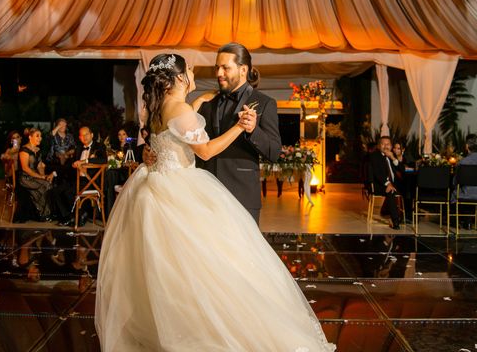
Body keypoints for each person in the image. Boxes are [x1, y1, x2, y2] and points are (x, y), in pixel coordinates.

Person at [96, 54, 335, 351]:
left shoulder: (158, 107)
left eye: (224, 67)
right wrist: (239, 127)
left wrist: (198, 101)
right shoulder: (180, 109)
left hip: (156, 189)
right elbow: (205, 150)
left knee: (169, 268)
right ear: (180, 78)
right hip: (183, 190)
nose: (200, 72)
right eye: (191, 70)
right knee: (213, 265)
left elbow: (176, 126)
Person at [194, 42, 282, 223]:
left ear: (243, 70)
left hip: (242, 196)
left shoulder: (265, 103)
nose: (218, 73)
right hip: (206, 195)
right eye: (217, 68)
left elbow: (274, 152)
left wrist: (253, 131)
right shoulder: (208, 101)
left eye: (225, 68)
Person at [16, 128, 54, 222]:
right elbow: (25, 168)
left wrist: (44, 176)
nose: (40, 138)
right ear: (30, 137)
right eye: (37, 136)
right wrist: (41, 177)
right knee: (44, 186)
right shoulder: (24, 150)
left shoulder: (38, 150)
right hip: (25, 178)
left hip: (34, 177)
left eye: (40, 136)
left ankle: (44, 213)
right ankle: (43, 213)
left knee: (48, 184)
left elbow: (40, 167)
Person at [367, 136, 402, 230]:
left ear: (391, 146)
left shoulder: (391, 155)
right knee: (390, 191)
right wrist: (387, 184)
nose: (386, 146)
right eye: (383, 144)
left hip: (393, 184)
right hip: (379, 185)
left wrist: (393, 158)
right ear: (379, 146)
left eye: (388, 144)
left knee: (408, 189)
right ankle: (396, 222)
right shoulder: (374, 156)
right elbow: (378, 173)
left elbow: (401, 169)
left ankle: (407, 216)